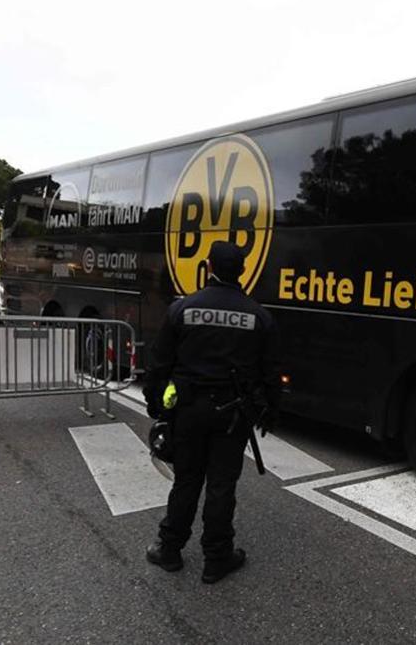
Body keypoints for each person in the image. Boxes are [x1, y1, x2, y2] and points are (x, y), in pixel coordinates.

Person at [143, 240, 281, 584]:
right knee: (222, 485)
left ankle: (170, 550)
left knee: (186, 481)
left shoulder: (182, 309)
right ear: (243, 271)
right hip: (234, 415)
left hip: (189, 411)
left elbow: (159, 364)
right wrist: (269, 411)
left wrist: (156, 406)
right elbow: (271, 372)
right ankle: (217, 558)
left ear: (208, 266)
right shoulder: (259, 316)